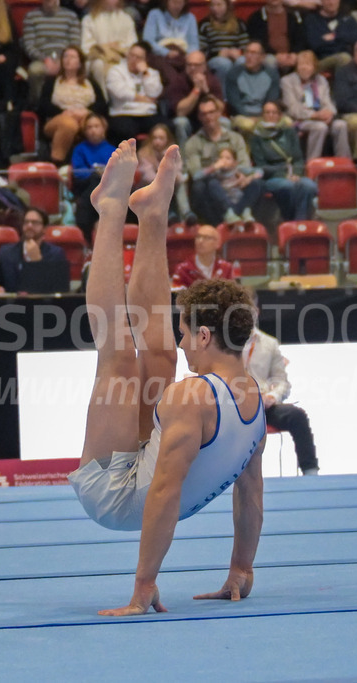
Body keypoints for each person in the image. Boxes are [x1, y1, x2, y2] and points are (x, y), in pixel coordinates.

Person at [68, 139, 266, 616]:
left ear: (203, 334)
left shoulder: (192, 398)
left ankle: (111, 210)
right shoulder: (256, 397)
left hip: (115, 498)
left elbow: (163, 491)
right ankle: (153, 215)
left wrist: (145, 584)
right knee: (155, 353)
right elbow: (251, 493)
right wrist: (242, 567)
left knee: (117, 353)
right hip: (154, 476)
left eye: (185, 333)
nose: (180, 343)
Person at [243, 317, 318, 476]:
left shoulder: (269, 344)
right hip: (231, 406)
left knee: (297, 416)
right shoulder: (221, 341)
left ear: (256, 312)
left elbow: (282, 383)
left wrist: (271, 397)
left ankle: (311, 472)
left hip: (262, 407)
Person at [184, 94, 251, 225]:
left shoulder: (235, 138)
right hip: (209, 188)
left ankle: (239, 218)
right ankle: (220, 224)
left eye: (211, 112)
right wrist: (215, 167)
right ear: (199, 117)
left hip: (232, 182)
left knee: (256, 184)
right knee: (202, 186)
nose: (208, 117)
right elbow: (196, 174)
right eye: (204, 114)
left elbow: (245, 165)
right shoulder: (193, 143)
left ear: (219, 113)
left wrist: (242, 175)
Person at [38, 45, 107, 165]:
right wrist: (63, 113)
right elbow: (42, 105)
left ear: (80, 63)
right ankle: (57, 163)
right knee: (69, 124)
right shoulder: (52, 82)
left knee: (95, 124)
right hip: (58, 119)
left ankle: (96, 163)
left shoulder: (90, 82)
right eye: (65, 56)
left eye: (72, 57)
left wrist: (87, 112)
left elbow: (102, 104)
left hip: (84, 116)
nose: (68, 59)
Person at [250, 100, 318, 221]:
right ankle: (289, 219)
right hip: (271, 177)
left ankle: (299, 221)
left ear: (279, 115)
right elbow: (261, 166)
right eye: (267, 112)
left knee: (309, 185)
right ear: (263, 115)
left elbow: (297, 158)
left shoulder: (289, 132)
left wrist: (296, 174)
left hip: (292, 174)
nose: (271, 115)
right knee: (287, 186)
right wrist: (284, 175)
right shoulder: (256, 137)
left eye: (274, 112)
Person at [280, 49, 350, 160]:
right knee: (320, 127)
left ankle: (344, 163)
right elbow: (292, 109)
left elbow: (328, 102)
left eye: (307, 64)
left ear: (314, 66)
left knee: (341, 125)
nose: (304, 67)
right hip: (300, 120)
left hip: (321, 117)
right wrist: (315, 115)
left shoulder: (321, 80)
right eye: (301, 64)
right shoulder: (287, 81)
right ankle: (312, 163)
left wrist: (329, 113)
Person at [0, 206, 67, 294]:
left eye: (35, 223)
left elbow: (60, 290)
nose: (29, 226)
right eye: (26, 222)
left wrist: (37, 263)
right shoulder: (6, 252)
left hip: (42, 306)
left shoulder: (56, 254)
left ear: (44, 228)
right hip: (12, 306)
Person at [21, 0, 81, 105]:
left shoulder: (71, 16)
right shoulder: (31, 17)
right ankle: (38, 106)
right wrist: (45, 59)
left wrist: (63, 60)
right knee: (35, 70)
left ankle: (72, 103)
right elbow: (29, 45)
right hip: (41, 59)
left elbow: (75, 44)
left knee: (80, 68)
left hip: (66, 58)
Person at [162, 49, 224, 148]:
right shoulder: (177, 81)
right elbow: (181, 112)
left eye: (196, 65)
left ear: (204, 66)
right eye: (189, 65)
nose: (192, 68)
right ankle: (184, 158)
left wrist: (206, 92)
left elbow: (220, 109)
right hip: (187, 120)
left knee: (225, 123)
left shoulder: (212, 80)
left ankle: (219, 155)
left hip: (206, 118)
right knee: (181, 123)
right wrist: (196, 90)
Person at [106, 41, 165, 143]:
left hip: (148, 113)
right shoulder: (115, 71)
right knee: (125, 131)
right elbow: (120, 93)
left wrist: (145, 74)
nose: (134, 60)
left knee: (166, 127)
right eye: (131, 55)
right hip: (123, 113)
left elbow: (154, 93)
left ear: (145, 60)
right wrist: (145, 99)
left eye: (138, 57)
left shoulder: (152, 73)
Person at [71, 112, 116, 241]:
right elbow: (78, 172)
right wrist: (95, 171)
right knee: (96, 180)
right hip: (86, 186)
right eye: (89, 127)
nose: (93, 130)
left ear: (103, 128)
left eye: (96, 126)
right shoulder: (79, 149)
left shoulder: (113, 150)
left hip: (110, 189)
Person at [136, 123, 191, 222]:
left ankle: (186, 213)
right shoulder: (144, 153)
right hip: (149, 188)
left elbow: (178, 174)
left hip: (168, 184)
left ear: (167, 140)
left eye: (161, 138)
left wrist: (166, 159)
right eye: (155, 138)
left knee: (180, 184)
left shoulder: (173, 153)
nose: (157, 141)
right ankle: (167, 214)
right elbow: (148, 176)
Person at [80, 0, 138, 93]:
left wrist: (116, 49)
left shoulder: (126, 19)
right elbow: (86, 47)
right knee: (97, 65)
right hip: (100, 58)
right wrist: (106, 49)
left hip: (121, 57)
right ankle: (104, 99)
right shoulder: (89, 19)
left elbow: (132, 44)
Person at [224, 41, 280, 136]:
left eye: (253, 53)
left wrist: (262, 117)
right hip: (242, 116)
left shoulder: (272, 74)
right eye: (247, 52)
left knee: (287, 122)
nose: (249, 56)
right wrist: (249, 117)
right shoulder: (233, 74)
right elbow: (235, 103)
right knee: (248, 125)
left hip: (265, 114)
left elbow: (271, 100)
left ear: (262, 57)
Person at [302, 0, 357, 75]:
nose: (331, 2)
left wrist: (335, 36)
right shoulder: (312, 20)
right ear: (322, 2)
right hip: (321, 61)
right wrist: (342, 42)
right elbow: (315, 45)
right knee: (344, 58)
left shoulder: (347, 18)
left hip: (347, 58)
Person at [245, 0, 306, 74]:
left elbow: (300, 39)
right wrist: (276, 56)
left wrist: (294, 54)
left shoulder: (294, 16)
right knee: (270, 61)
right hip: (267, 55)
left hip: (291, 55)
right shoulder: (256, 17)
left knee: (306, 60)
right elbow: (257, 42)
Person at [198, 0, 248, 85]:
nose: (215, 8)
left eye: (219, 5)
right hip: (215, 58)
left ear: (227, 6)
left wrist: (239, 52)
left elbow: (246, 47)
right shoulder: (204, 24)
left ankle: (240, 93)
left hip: (236, 56)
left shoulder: (239, 23)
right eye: (213, 5)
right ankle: (223, 96)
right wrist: (218, 53)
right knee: (224, 63)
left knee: (242, 61)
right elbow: (201, 50)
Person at [210, 147, 262, 223]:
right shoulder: (216, 173)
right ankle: (231, 214)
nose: (223, 161)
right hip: (225, 206)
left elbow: (260, 171)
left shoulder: (239, 170)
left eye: (228, 158)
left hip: (241, 202)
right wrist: (235, 184)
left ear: (235, 162)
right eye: (221, 158)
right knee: (212, 183)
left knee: (256, 183)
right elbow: (199, 176)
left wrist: (249, 178)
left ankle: (245, 212)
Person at [171, 222, 233, 287]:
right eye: (198, 237)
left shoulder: (226, 268)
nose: (200, 241)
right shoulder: (183, 269)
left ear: (217, 243)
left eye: (206, 238)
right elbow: (177, 294)